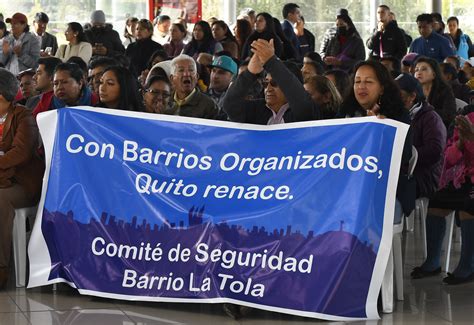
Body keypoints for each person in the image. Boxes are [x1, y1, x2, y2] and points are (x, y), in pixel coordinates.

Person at [340, 60, 414, 222]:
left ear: (382, 88)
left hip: (386, 191)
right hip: (346, 189)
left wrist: (380, 133)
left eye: (368, 82)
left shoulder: (399, 115)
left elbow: (404, 155)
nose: (361, 86)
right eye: (357, 81)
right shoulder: (345, 113)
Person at [411, 112, 474, 284]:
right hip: (465, 178)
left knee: (468, 206)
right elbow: (449, 159)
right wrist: (461, 142)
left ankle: (468, 266)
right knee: (436, 202)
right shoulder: (468, 117)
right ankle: (433, 262)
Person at [0, 68, 44, 289]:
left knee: (0, 200)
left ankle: (1, 270)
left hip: (21, 182)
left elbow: (21, 153)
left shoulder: (23, 116)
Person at [223, 38, 318, 124]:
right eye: (265, 83)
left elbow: (299, 99)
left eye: (275, 83)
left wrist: (271, 62)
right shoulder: (257, 109)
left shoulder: (304, 110)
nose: (268, 88)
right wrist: (250, 72)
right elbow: (230, 104)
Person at [395, 73, 446, 198]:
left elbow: (434, 151)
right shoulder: (392, 114)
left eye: (398, 95)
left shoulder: (430, 118)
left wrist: (404, 156)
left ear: (412, 96)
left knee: (390, 188)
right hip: (399, 172)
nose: (392, 98)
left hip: (423, 176)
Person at [32, 62, 99, 118]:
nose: (59, 87)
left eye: (64, 82)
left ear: (80, 83)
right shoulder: (46, 101)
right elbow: (33, 124)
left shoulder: (95, 102)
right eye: (56, 83)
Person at [164, 54, 218, 119]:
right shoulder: (164, 101)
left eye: (191, 70)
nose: (186, 74)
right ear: (172, 79)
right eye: (181, 70)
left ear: (197, 77)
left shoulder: (208, 105)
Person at [414, 57, 456, 130]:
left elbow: (449, 115)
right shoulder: (412, 91)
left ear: (434, 74)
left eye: (424, 69)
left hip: (439, 128)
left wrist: (425, 112)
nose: (419, 73)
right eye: (416, 70)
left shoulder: (445, 90)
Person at [207, 55, 238, 119]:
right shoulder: (202, 95)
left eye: (221, 72)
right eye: (213, 71)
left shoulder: (236, 100)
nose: (215, 76)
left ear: (232, 77)